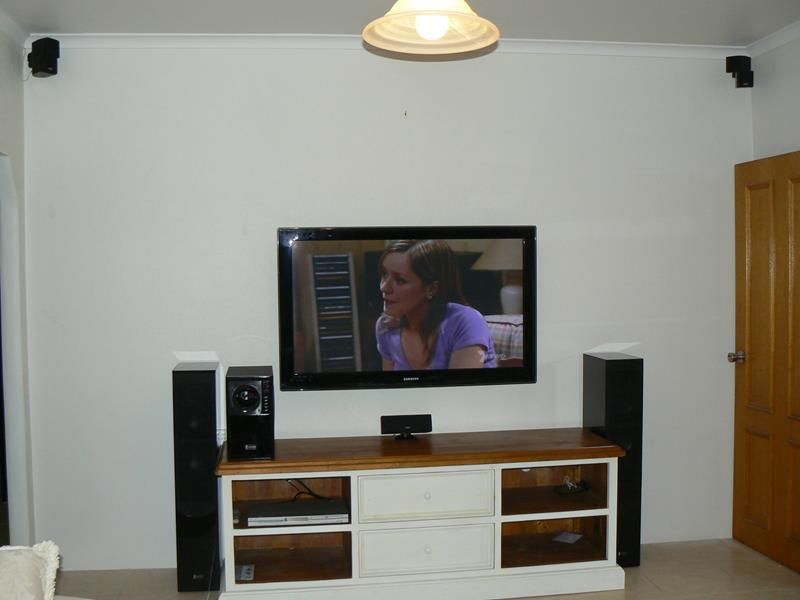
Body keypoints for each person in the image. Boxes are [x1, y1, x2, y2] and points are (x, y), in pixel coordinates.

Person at [376, 239, 497, 370]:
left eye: (400, 280)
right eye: (384, 275)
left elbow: (462, 389)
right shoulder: (386, 326)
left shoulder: (465, 321)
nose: (384, 287)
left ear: (431, 289)